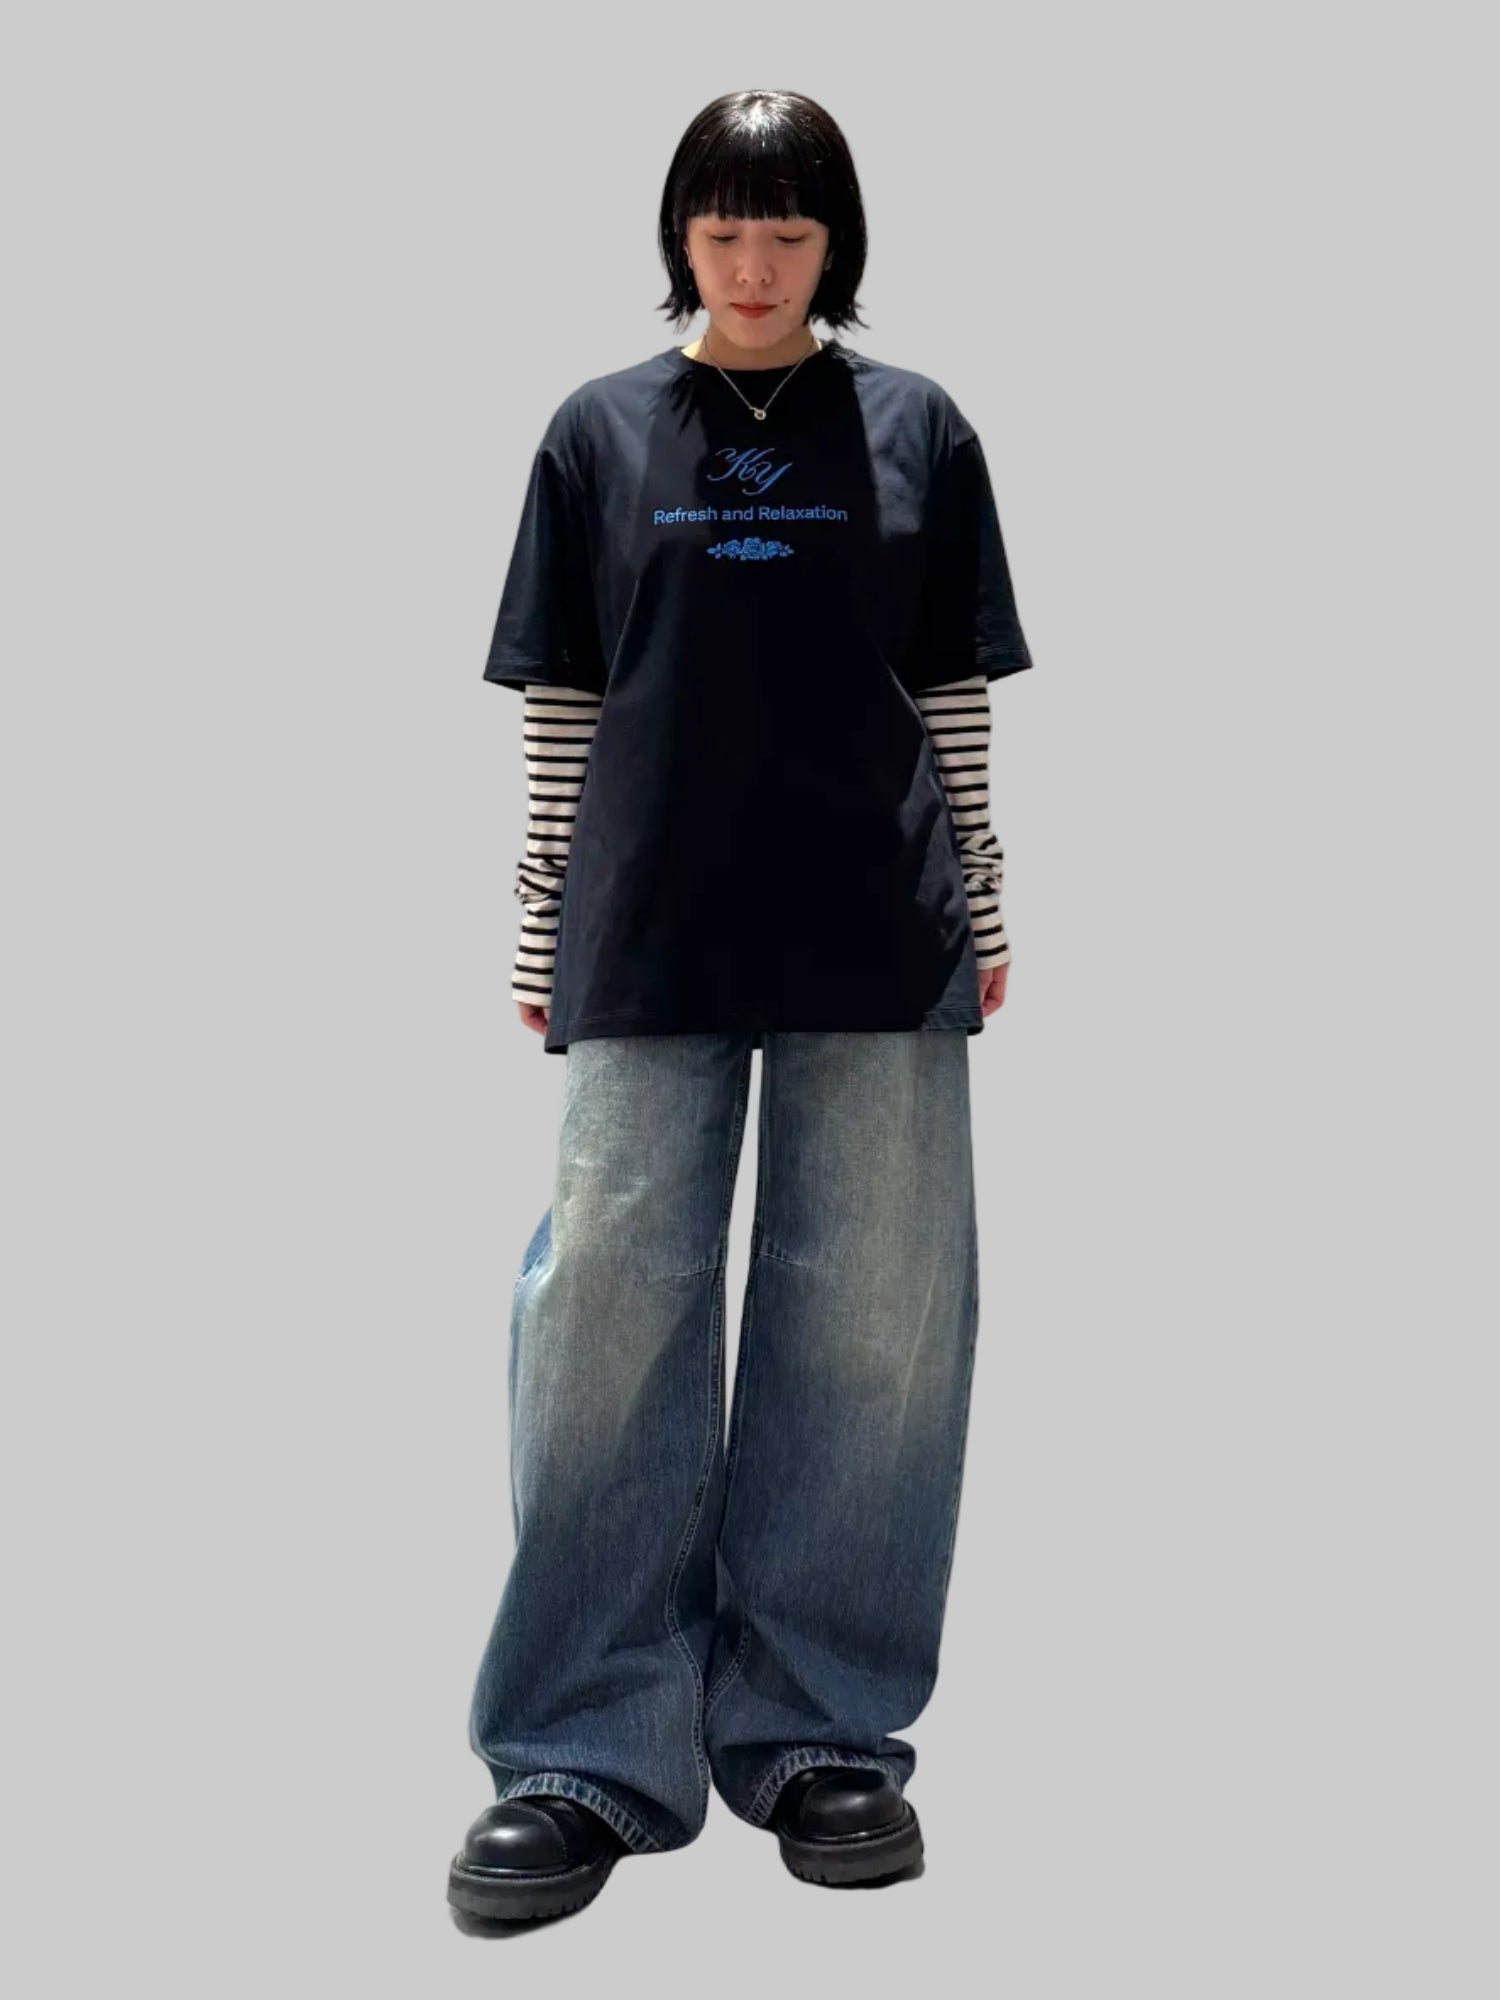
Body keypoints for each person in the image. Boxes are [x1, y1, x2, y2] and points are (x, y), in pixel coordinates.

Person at [448, 88, 1034, 1924]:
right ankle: (579, 1748)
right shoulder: (599, 432)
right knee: (606, 1311)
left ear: (836, 242)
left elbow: (950, 693)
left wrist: (987, 895)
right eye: (724, 230)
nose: (757, 264)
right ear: (679, 238)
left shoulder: (917, 427)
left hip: (875, 912)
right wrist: (540, 922)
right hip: (649, 917)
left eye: (790, 231)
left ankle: (817, 1729)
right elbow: (564, 702)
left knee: (873, 1319)